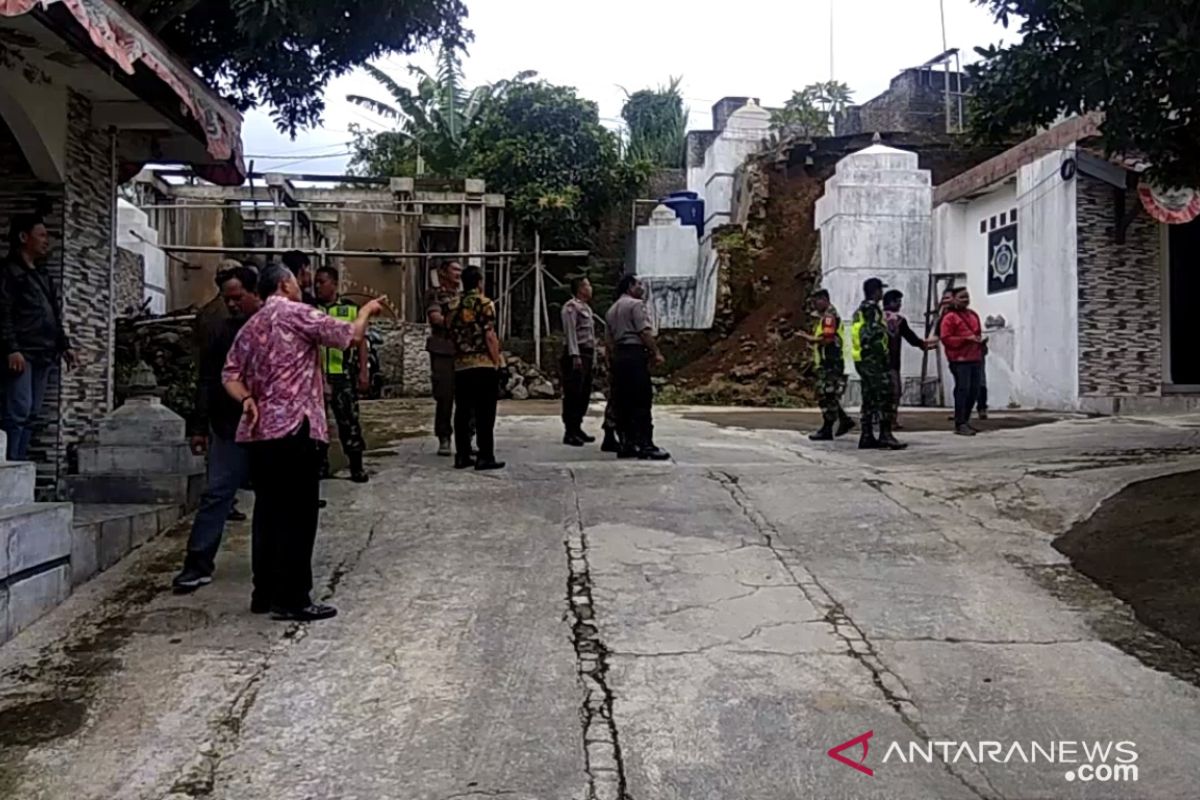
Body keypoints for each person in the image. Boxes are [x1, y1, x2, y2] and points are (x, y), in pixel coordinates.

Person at [222, 264, 385, 621]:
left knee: (267, 513)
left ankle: (263, 592)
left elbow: (230, 374)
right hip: (295, 428)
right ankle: (293, 598)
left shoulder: (252, 325)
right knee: (298, 516)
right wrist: (366, 311)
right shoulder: (295, 313)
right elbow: (350, 336)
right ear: (284, 284)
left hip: (261, 430)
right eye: (297, 281)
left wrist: (247, 399)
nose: (302, 285)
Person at [173, 265, 262, 593]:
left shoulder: (274, 328)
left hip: (270, 427)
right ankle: (197, 563)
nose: (233, 305)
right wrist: (199, 426)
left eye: (238, 298)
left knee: (271, 500)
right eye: (228, 299)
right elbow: (207, 381)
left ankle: (269, 569)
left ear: (255, 293)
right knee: (217, 494)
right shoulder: (221, 332)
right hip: (228, 425)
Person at [0, 214, 76, 462]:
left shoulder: (42, 275)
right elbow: (4, 312)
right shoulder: (9, 272)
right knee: (18, 412)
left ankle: (19, 464)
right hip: (22, 352)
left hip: (44, 352)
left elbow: (53, 313)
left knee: (32, 413)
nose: (47, 241)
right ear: (24, 237)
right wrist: (12, 348)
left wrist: (64, 345)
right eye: (41, 235)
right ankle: (9, 465)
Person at [314, 266, 370, 484]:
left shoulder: (348, 309)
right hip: (316, 377)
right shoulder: (311, 309)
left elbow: (361, 340)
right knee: (317, 425)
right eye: (316, 282)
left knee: (349, 422)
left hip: (342, 375)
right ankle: (320, 466)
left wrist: (364, 371)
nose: (318, 286)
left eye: (323, 282)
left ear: (335, 284)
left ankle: (356, 466)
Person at [605, 275, 670, 460]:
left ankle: (627, 443)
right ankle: (646, 445)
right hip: (634, 355)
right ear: (630, 286)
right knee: (641, 399)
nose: (641, 287)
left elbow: (608, 341)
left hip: (619, 356)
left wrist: (611, 361)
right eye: (638, 284)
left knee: (623, 402)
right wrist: (656, 352)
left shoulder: (611, 310)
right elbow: (644, 331)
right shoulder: (635, 305)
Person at [447, 265, 505, 471]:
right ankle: (485, 455)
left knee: (462, 411)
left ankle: (462, 454)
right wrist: (497, 361)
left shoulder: (453, 306)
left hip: (461, 364)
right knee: (485, 412)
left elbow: (450, 334)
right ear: (479, 281)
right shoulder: (484, 303)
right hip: (482, 364)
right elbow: (489, 335)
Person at [851, 278, 906, 450]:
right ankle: (885, 435)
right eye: (880, 290)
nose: (882, 293)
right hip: (874, 361)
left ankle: (866, 435)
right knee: (885, 396)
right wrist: (883, 357)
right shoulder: (872, 310)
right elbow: (872, 335)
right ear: (875, 291)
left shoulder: (860, 309)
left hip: (862, 360)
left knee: (869, 398)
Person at [800, 289, 855, 441]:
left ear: (824, 299)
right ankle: (843, 421)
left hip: (831, 363)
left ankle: (828, 428)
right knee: (828, 395)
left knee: (826, 395)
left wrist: (809, 339)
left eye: (816, 301)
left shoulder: (829, 317)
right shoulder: (826, 317)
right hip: (829, 362)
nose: (815, 305)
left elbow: (828, 339)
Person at [425, 260, 464, 457]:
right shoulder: (436, 293)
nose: (458, 273)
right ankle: (444, 437)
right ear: (443, 273)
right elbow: (435, 318)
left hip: (463, 351)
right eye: (454, 270)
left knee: (467, 398)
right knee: (445, 396)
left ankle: (466, 438)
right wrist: (458, 319)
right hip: (442, 351)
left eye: (460, 270)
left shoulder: (465, 295)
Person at [883, 289, 936, 429]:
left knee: (884, 392)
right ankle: (889, 421)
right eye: (897, 301)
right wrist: (923, 344)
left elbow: (910, 337)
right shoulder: (897, 321)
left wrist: (922, 344)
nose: (900, 304)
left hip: (880, 362)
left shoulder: (878, 318)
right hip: (891, 362)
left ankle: (884, 420)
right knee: (894, 392)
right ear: (889, 302)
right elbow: (911, 338)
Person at [939, 286, 987, 437]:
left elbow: (977, 334)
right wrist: (965, 339)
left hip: (975, 357)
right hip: (959, 359)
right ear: (953, 299)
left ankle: (966, 420)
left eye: (967, 297)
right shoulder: (949, 318)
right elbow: (946, 339)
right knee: (962, 389)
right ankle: (960, 423)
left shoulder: (973, 315)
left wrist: (981, 343)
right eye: (962, 297)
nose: (965, 300)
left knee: (974, 390)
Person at [561, 277, 597, 446]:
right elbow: (570, 333)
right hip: (576, 354)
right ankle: (569, 431)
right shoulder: (571, 307)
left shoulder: (587, 309)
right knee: (573, 393)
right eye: (588, 285)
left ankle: (577, 427)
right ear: (581, 288)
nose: (591, 288)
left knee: (584, 393)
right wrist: (574, 355)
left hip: (587, 354)